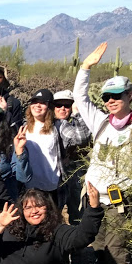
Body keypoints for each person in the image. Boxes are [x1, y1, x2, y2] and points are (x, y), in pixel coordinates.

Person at [72, 42, 132, 264]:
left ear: (129, 96)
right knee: (97, 250)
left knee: (117, 250)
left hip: (120, 203)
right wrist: (85, 67)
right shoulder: (100, 123)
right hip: (94, 201)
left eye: (117, 96)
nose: (111, 101)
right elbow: (80, 97)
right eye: (107, 97)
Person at [53, 90, 90, 224]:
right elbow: (81, 138)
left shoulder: (71, 123)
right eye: (58, 105)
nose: (62, 108)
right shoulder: (60, 124)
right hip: (62, 175)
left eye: (67, 105)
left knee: (74, 211)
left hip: (71, 173)